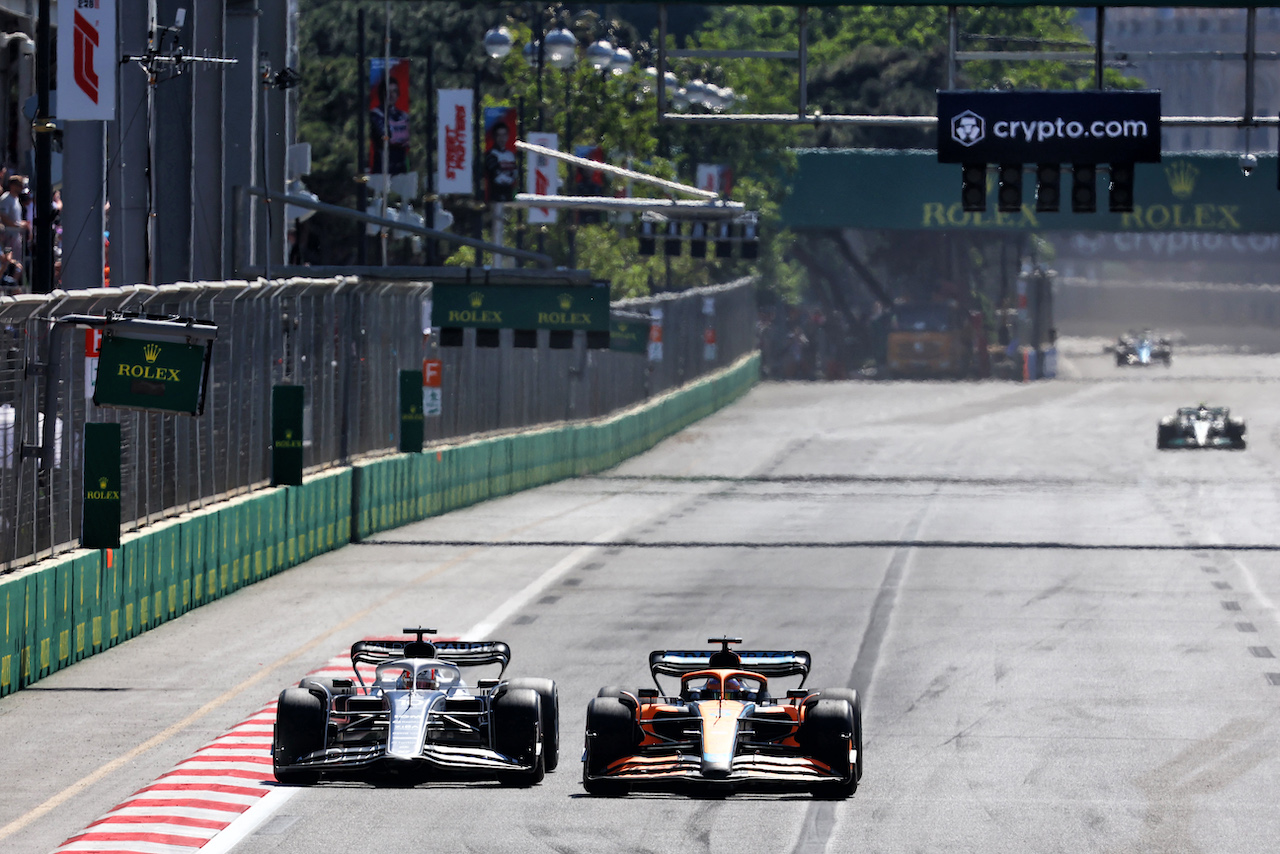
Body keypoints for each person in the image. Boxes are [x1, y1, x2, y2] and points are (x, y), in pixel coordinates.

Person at [369, 74, 409, 174]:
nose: (391, 95)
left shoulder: (403, 115)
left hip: (401, 166)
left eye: (394, 91)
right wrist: (396, 139)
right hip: (383, 167)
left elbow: (411, 138)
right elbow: (384, 137)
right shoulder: (376, 114)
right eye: (388, 91)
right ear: (382, 94)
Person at [484, 120, 517, 202]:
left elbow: (515, 173)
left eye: (504, 135)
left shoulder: (510, 155)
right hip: (495, 194)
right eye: (499, 135)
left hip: (509, 193)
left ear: (508, 136)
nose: (501, 138)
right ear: (494, 137)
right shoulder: (491, 154)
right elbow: (494, 174)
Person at [0, 176, 27, 256]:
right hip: (8, 237)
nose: (21, 187)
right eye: (19, 185)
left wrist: (23, 224)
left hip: (16, 237)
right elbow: (3, 217)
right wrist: (17, 226)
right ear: (12, 185)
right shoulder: (6, 199)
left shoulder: (16, 199)